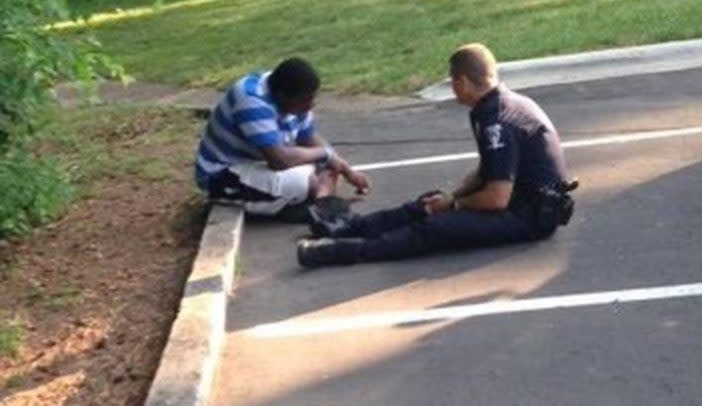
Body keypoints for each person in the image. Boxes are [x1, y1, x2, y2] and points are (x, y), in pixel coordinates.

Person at [297, 43, 577, 267]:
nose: (452, 87)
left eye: (453, 81)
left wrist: (453, 207)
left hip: (528, 216)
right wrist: (451, 198)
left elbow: (496, 197)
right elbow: (488, 170)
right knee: (426, 204)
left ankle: (341, 251)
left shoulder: (497, 120)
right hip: (515, 200)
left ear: (464, 82)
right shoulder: (496, 105)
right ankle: (346, 229)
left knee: (437, 227)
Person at [194, 57, 370, 219]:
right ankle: (306, 205)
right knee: (304, 181)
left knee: (329, 169)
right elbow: (280, 160)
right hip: (224, 173)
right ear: (281, 96)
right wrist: (325, 155)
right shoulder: (252, 100)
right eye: (305, 100)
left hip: (256, 164)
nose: (311, 105)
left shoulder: (290, 95)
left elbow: (307, 137)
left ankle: (317, 203)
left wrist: (346, 170)